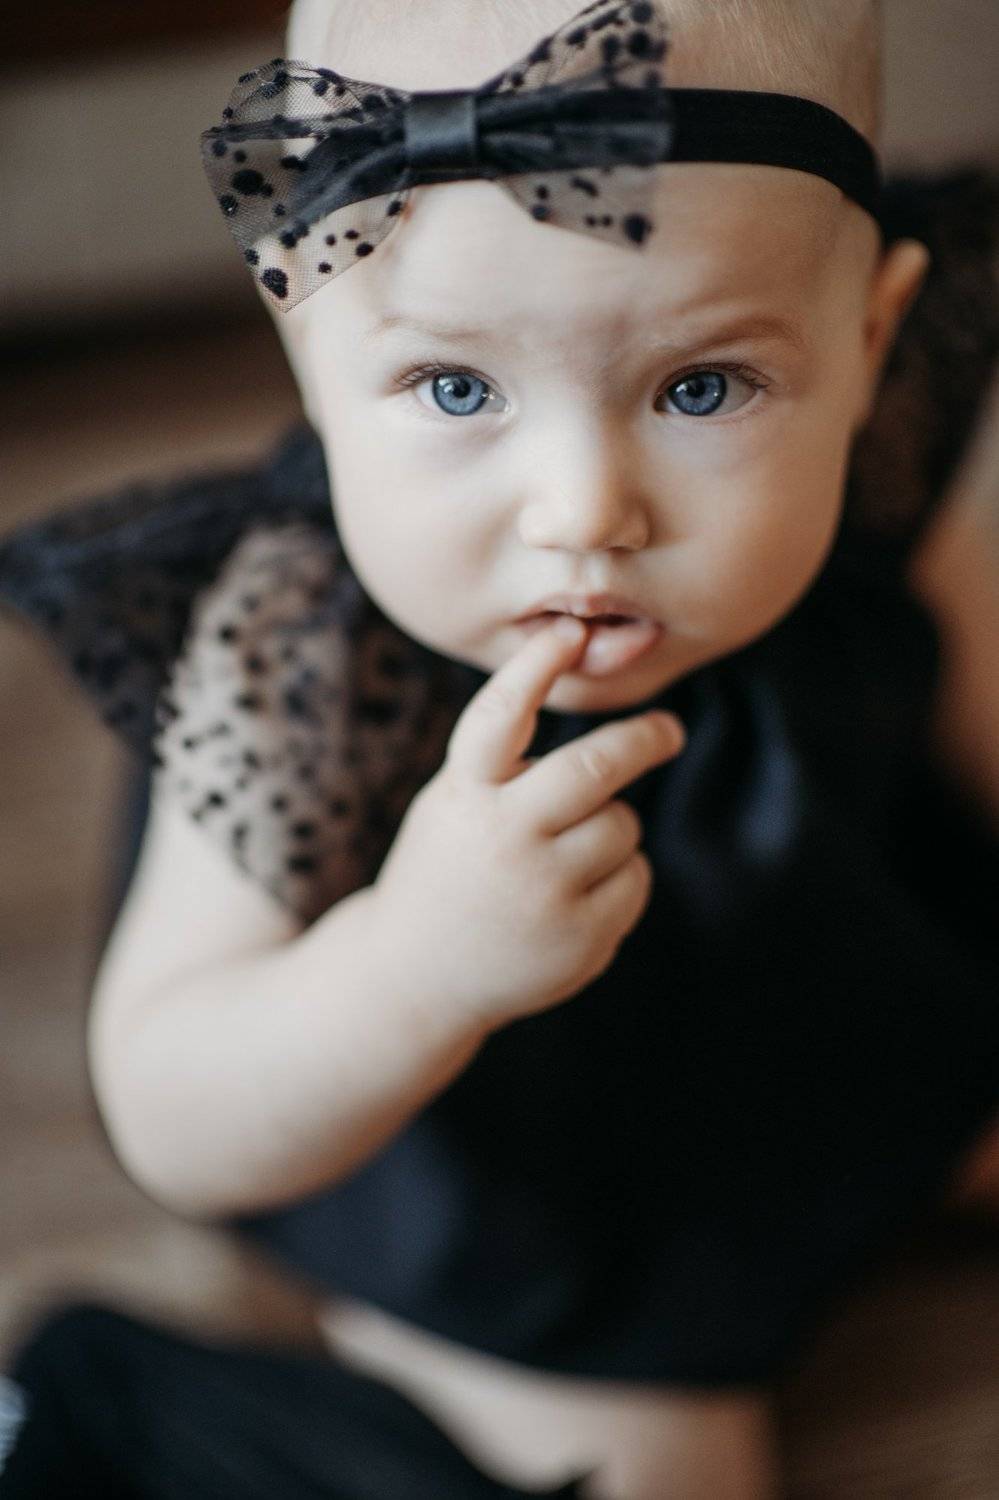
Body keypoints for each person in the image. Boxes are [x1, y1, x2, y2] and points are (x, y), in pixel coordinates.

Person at [0, 1, 997, 1495]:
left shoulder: (883, 462)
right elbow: (171, 1106)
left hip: (819, 1017)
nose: (584, 508)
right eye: (457, 389)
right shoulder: (297, 644)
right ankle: (159, 1401)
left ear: (868, 342)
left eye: (702, 387)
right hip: (537, 1188)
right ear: (304, 339)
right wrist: (419, 963)